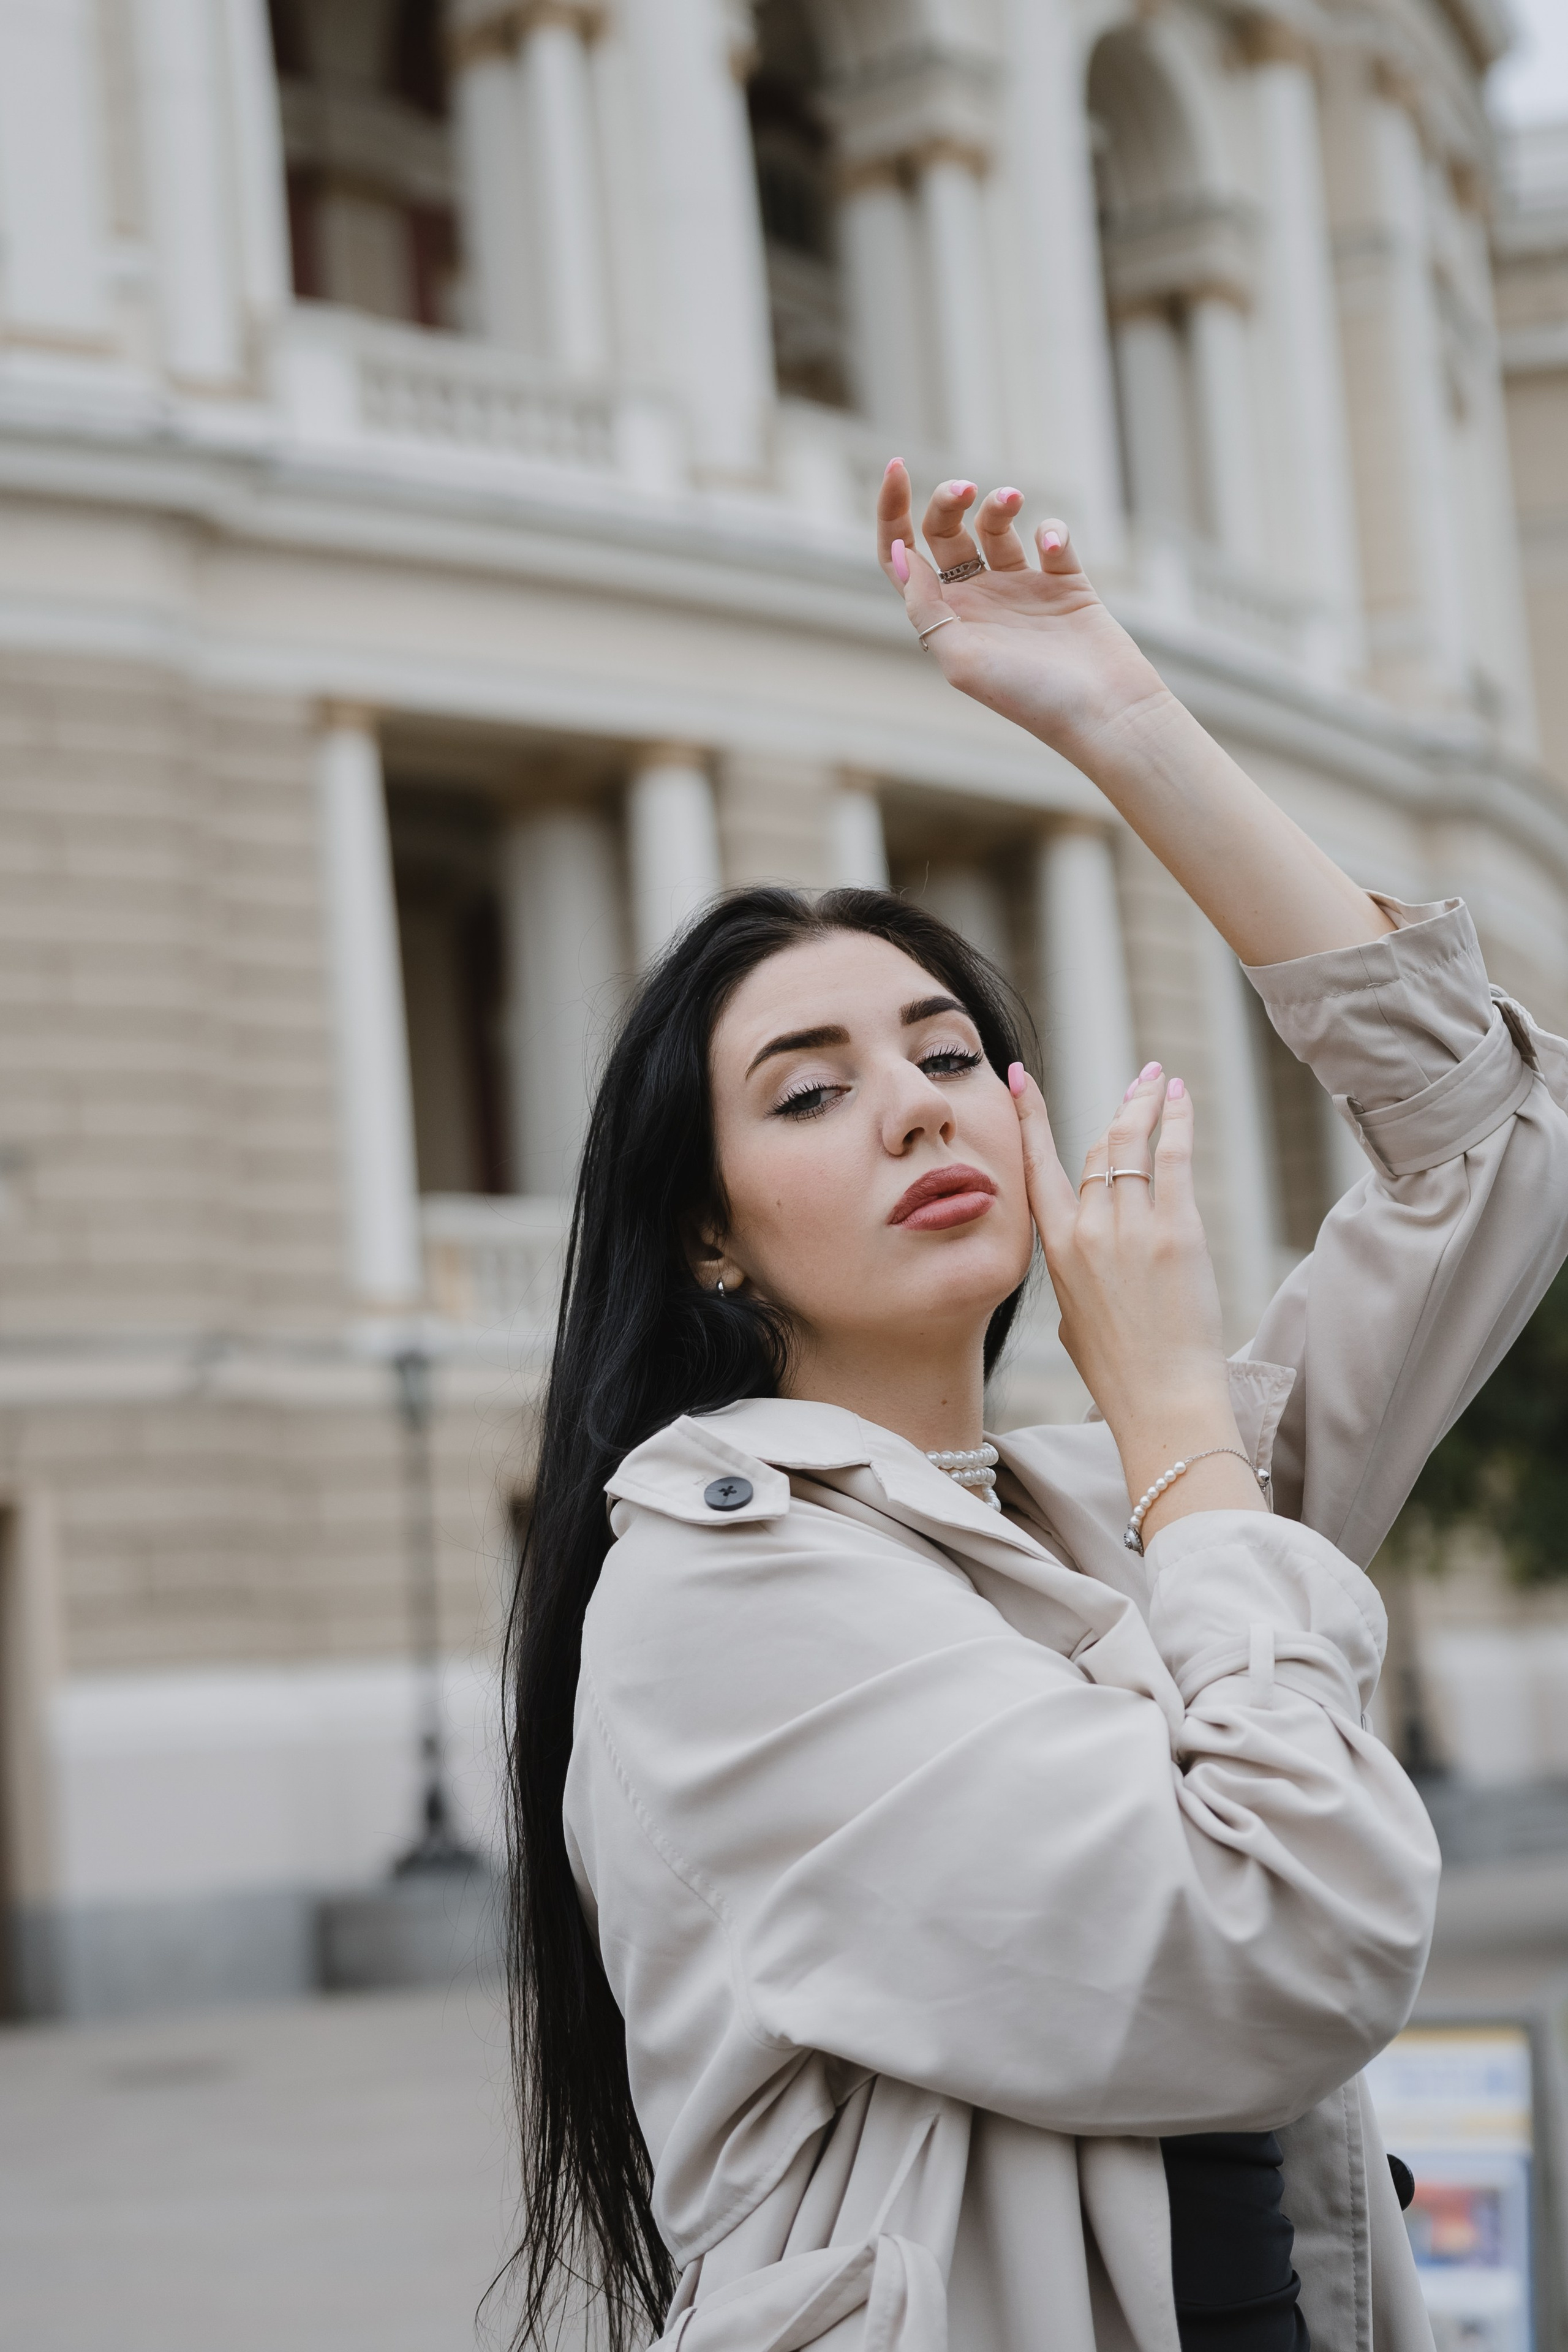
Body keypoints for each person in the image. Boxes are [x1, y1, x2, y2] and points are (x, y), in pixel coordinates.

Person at [503, 464, 1568, 2352]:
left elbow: (1489, 1145)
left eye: (946, 1051)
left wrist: (1125, 724)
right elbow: (1286, 1939)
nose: (918, 1103)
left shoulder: (1106, 1507)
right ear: (712, 1244)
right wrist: (1180, 1435)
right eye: (811, 1092)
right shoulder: (718, 1594)